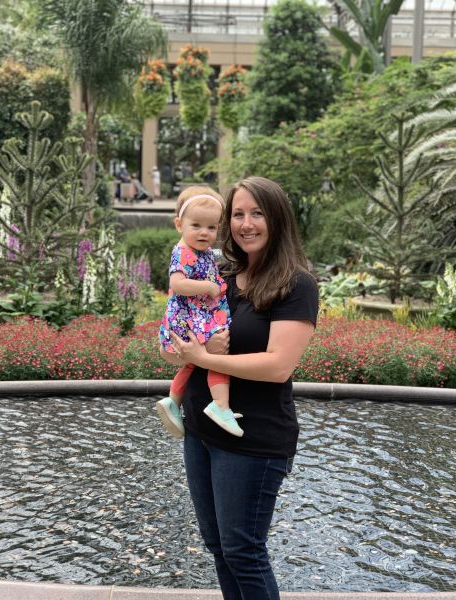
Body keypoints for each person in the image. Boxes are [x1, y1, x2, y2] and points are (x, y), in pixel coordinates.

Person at [159, 176, 318, 600]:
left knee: (244, 552)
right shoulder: (221, 273)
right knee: (219, 548)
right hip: (201, 431)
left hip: (252, 438)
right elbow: (181, 338)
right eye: (238, 214)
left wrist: (204, 358)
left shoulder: (296, 284)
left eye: (257, 213)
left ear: (277, 219)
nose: (246, 224)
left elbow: (277, 367)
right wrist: (180, 350)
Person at [155, 186, 243, 438]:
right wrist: (207, 286)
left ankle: (174, 400)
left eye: (211, 227)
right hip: (192, 318)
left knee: (195, 362)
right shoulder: (183, 252)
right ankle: (221, 405)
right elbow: (177, 284)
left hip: (196, 316)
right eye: (196, 226)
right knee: (219, 356)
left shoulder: (200, 251)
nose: (204, 233)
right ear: (179, 224)